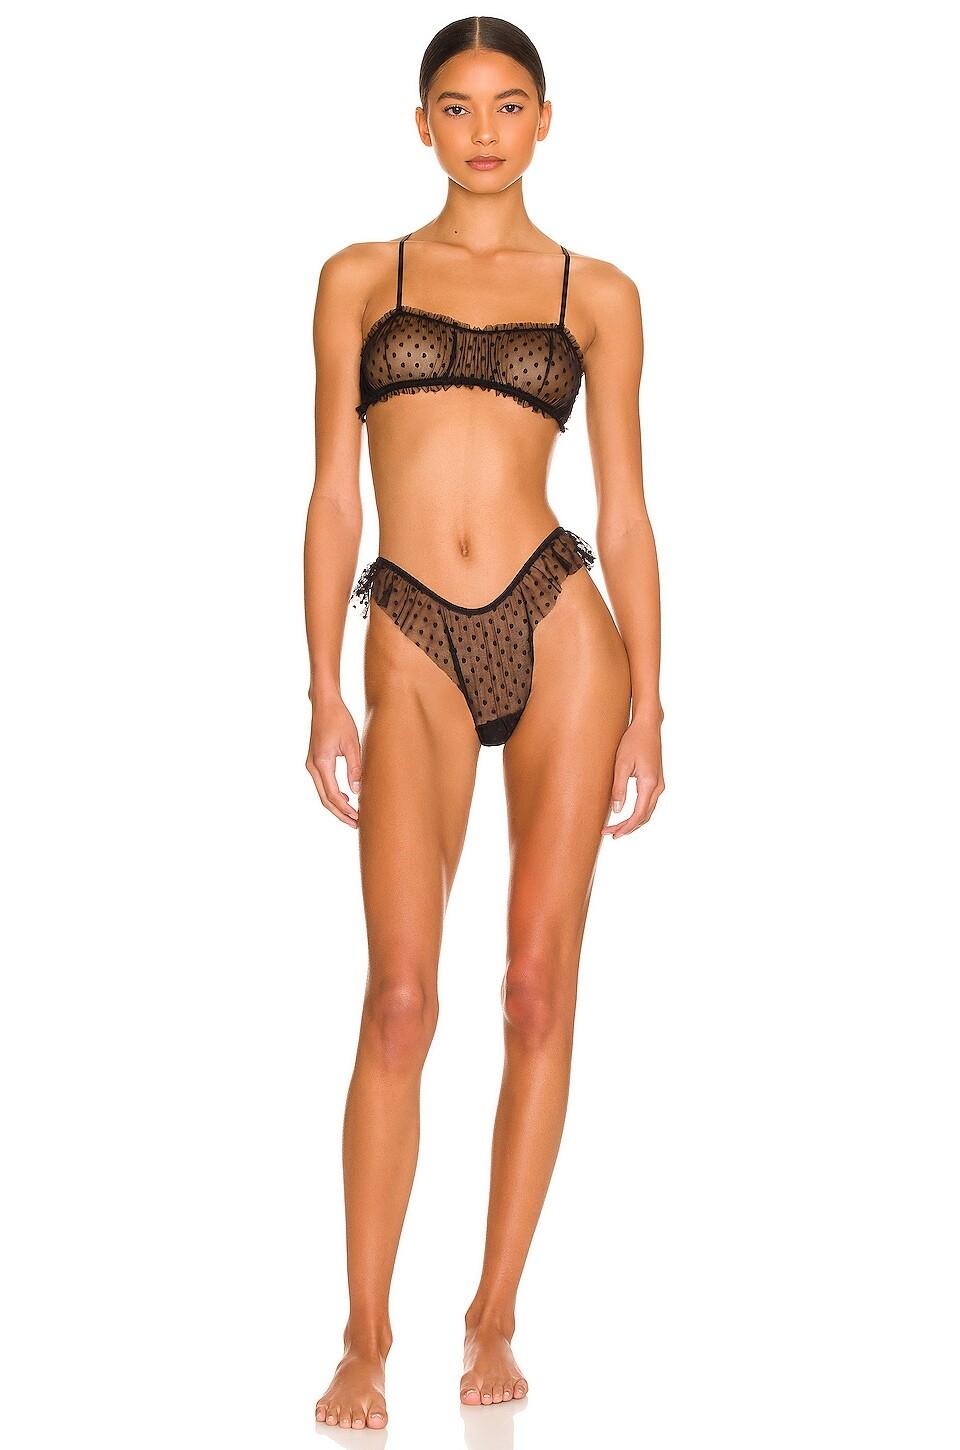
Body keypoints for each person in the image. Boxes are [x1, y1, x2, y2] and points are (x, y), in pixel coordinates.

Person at [305, 15, 665, 1431]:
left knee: (535, 988)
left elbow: (626, 510)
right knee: (401, 997)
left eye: (510, 106)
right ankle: (364, 1332)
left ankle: (495, 1308)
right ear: (421, 125)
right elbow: (334, 494)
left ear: (546, 119)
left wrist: (652, 701)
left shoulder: (596, 291)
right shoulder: (358, 278)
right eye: (456, 108)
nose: (484, 133)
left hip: (560, 622)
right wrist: (321, 684)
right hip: (407, 631)